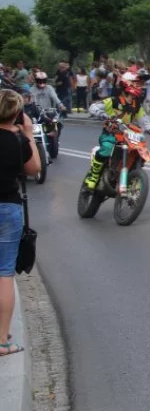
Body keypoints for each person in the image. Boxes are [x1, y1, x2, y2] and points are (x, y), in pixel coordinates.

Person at [0, 90, 41, 356]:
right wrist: (28, 135)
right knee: (4, 273)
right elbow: (34, 169)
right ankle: (2, 339)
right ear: (17, 113)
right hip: (7, 207)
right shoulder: (18, 140)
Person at [83, 70, 150, 190]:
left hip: (128, 136)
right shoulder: (114, 101)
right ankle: (93, 176)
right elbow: (93, 107)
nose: (141, 86)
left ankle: (131, 177)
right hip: (111, 134)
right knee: (107, 149)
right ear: (128, 84)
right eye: (137, 83)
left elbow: (144, 120)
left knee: (139, 153)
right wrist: (102, 114)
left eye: (141, 84)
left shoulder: (136, 105)